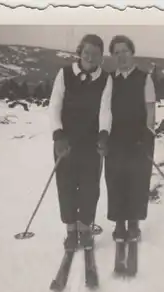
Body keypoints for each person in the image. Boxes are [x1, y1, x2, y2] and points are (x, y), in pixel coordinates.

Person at [49, 34, 112, 253]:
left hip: (91, 144)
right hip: (65, 142)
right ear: (79, 52)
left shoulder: (106, 78)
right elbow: (54, 105)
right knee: (65, 186)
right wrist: (58, 134)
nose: (90, 57)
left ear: (101, 57)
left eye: (95, 54)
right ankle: (70, 232)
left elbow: (105, 109)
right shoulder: (65, 74)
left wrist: (104, 134)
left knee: (89, 188)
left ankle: (85, 230)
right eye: (86, 52)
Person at [97, 35, 156, 242]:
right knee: (115, 180)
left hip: (139, 137)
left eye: (125, 51)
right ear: (112, 56)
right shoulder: (109, 79)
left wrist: (148, 134)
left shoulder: (144, 78)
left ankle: (133, 223)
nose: (121, 56)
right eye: (117, 52)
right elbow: (104, 108)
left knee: (137, 181)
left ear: (132, 52)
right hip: (115, 138)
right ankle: (119, 224)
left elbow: (150, 109)